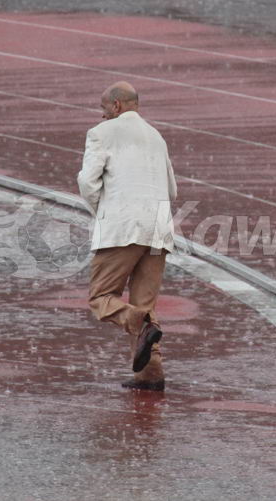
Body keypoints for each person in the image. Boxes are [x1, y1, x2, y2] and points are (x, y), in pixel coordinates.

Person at [77, 81, 178, 391]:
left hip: (122, 229)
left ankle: (144, 325)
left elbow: (88, 182)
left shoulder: (101, 133)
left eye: (104, 108)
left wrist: (103, 212)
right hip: (159, 229)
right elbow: (172, 190)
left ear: (117, 106)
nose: (102, 114)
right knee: (144, 301)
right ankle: (151, 374)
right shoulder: (156, 137)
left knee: (100, 298)